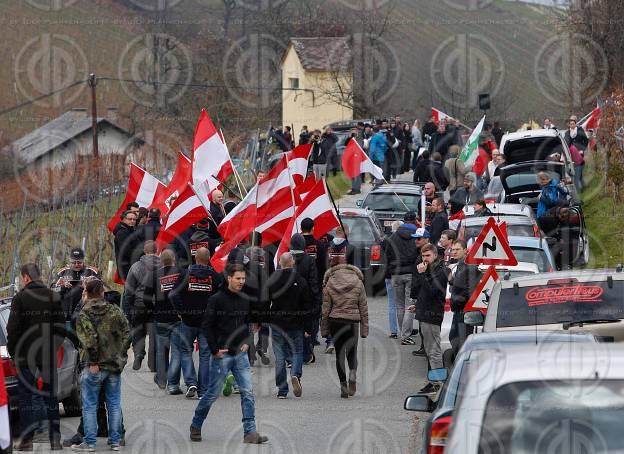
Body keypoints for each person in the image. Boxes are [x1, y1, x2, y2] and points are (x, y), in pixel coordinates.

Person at [190, 263, 268, 445]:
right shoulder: (216, 300)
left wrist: (248, 342)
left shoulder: (245, 298)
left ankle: (250, 432)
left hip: (240, 354)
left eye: (243, 278)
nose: (241, 282)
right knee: (212, 394)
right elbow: (207, 326)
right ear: (229, 278)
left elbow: (249, 322)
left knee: (247, 392)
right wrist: (214, 350)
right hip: (222, 355)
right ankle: (196, 424)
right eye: (238, 278)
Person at [7, 263, 65, 451]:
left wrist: (14, 353)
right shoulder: (53, 296)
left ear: (25, 277)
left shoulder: (20, 298)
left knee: (26, 398)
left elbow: (12, 330)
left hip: (25, 356)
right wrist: (54, 347)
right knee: (51, 396)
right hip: (47, 354)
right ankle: (55, 439)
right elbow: (61, 327)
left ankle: (26, 441)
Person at [71, 278, 130, 452]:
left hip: (94, 365)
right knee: (113, 403)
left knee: (90, 405)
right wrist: (121, 356)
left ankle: (89, 443)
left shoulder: (84, 313)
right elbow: (127, 333)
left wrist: (94, 361)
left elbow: (89, 341)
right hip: (113, 365)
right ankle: (115, 441)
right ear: (103, 292)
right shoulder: (115, 311)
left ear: (87, 293)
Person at [169, 247, 222, 399]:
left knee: (186, 351)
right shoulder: (215, 277)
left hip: (188, 320)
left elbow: (173, 294)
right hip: (206, 322)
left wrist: (181, 311)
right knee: (205, 355)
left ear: (195, 258)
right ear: (209, 258)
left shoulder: (185, 274)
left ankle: (191, 382)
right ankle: (203, 390)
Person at [321, 256, 369, 398]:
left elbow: (325, 309)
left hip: (336, 321)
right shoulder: (358, 281)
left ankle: (343, 386)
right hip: (352, 322)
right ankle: (352, 374)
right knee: (352, 353)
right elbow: (363, 307)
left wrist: (324, 329)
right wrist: (364, 329)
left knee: (339, 355)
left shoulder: (330, 282)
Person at [268, 253, 314, 398]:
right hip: (296, 323)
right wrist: (308, 327)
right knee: (297, 351)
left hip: (277, 323)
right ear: (292, 262)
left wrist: (261, 319)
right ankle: (295, 374)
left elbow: (264, 300)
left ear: (280, 263)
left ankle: (282, 390)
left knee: (280, 355)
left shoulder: (273, 279)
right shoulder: (300, 280)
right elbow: (307, 305)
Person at [408, 244, 448, 394]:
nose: (425, 259)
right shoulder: (429, 269)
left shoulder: (441, 271)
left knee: (434, 351)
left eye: (428, 256)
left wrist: (422, 274)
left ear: (435, 255)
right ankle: (433, 383)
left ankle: (438, 385)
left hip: (432, 315)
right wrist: (418, 305)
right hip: (424, 313)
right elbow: (422, 291)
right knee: (429, 351)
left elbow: (432, 292)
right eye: (423, 256)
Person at [124, 240, 160, 372]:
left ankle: (139, 353)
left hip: (139, 305)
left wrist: (128, 307)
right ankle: (153, 361)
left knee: (138, 331)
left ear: (145, 251)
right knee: (154, 334)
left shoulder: (135, 266)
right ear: (156, 251)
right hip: (157, 306)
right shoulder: (163, 266)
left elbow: (129, 290)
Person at [384, 220, 419, 345]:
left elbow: (387, 255)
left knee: (399, 305)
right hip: (410, 273)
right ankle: (405, 335)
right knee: (409, 305)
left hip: (396, 274)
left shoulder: (392, 238)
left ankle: (402, 333)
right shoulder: (415, 237)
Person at [289, 234, 321, 364]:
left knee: (292, 327)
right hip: (306, 299)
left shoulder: (286, 258)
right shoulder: (309, 260)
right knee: (307, 327)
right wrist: (316, 299)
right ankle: (306, 353)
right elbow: (314, 281)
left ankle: (292, 355)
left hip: (290, 299)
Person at [153, 249, 182, 391]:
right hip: (178, 317)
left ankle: (162, 380)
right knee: (177, 351)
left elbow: (146, 295)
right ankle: (173, 384)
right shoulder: (181, 273)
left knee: (161, 351)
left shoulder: (155, 275)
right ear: (174, 260)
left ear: (160, 261)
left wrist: (154, 309)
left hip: (161, 317)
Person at [244, 232, 273, 367]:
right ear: (261, 242)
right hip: (264, 295)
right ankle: (262, 345)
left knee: (249, 323)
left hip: (248, 295)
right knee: (265, 322)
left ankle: (250, 354)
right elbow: (273, 277)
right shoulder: (268, 256)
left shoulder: (243, 256)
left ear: (249, 241)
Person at [449, 240, 480, 357]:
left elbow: (470, 291)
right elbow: (460, 285)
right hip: (458, 310)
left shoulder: (470, 266)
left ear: (465, 250)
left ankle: (462, 369)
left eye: (457, 249)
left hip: (464, 311)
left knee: (461, 342)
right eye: (453, 250)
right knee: (454, 338)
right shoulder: (460, 265)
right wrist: (451, 280)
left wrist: (459, 302)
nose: (454, 252)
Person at [113, 210, 139, 282]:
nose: (132, 221)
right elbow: (126, 251)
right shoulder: (122, 233)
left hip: (132, 267)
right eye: (130, 219)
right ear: (124, 219)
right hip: (127, 268)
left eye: (134, 219)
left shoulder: (131, 231)